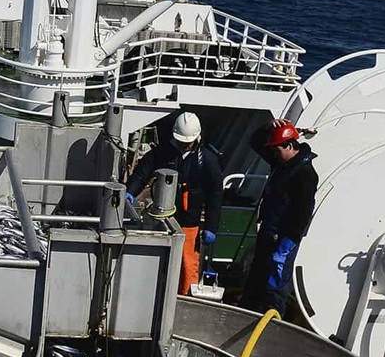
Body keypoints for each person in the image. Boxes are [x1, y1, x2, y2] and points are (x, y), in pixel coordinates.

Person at [125, 112, 223, 296]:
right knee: (155, 259)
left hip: (189, 221)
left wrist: (212, 226)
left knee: (187, 265)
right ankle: (147, 295)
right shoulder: (161, 153)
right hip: (159, 218)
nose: (184, 144)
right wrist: (130, 191)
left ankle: (185, 299)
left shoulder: (207, 161)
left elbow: (215, 195)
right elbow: (141, 173)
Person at [238, 119, 318, 313]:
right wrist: (270, 126)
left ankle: (271, 320)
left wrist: (287, 243)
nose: (274, 155)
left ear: (290, 146)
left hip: (283, 239)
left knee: (274, 286)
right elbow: (256, 142)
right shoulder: (282, 163)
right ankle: (247, 312)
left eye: (277, 150)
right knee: (255, 281)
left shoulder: (305, 174)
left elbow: (303, 212)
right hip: (268, 231)